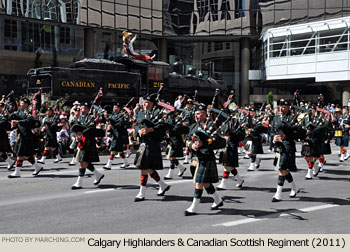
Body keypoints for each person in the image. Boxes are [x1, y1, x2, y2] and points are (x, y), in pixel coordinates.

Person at [184, 103, 226, 215]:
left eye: (198, 114)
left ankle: (193, 207)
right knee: (206, 183)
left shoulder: (211, 126)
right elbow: (187, 140)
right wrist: (191, 145)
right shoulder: (193, 127)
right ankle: (218, 200)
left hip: (206, 157)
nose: (196, 116)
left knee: (199, 182)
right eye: (195, 114)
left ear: (204, 115)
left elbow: (219, 141)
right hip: (196, 158)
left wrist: (204, 143)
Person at [133, 93, 170, 201]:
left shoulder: (157, 113)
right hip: (143, 143)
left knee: (145, 168)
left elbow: (163, 126)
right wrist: (138, 130)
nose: (145, 103)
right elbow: (136, 125)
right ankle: (162, 184)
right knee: (147, 168)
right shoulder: (140, 113)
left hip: (152, 143)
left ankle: (142, 193)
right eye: (144, 101)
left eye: (147, 102)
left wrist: (150, 129)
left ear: (152, 103)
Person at [270, 99, 303, 201]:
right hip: (278, 147)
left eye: (284, 107)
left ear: (288, 107)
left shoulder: (293, 118)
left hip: (288, 146)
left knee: (281, 169)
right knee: (283, 170)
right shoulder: (276, 118)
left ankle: (278, 194)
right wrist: (273, 137)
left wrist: (286, 136)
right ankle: (294, 187)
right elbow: (271, 131)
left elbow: (297, 133)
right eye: (280, 106)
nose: (281, 108)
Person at [70, 102, 105, 189]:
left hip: (89, 142)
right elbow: (73, 128)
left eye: (84, 108)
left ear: (88, 109)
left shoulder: (90, 118)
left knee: (82, 162)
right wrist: (76, 135)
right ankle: (98, 174)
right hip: (81, 141)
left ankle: (79, 182)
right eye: (82, 108)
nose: (82, 109)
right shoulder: (79, 118)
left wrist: (81, 133)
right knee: (84, 161)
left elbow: (90, 129)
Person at [8, 98, 42, 178]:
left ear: (26, 104)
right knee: (27, 156)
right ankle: (37, 167)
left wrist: (18, 122)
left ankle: (17, 172)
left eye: (22, 103)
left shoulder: (29, 112)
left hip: (27, 135)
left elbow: (29, 121)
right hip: (22, 135)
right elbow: (11, 116)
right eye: (20, 103)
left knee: (20, 155)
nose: (21, 104)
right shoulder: (19, 112)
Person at [103, 103, 130, 170]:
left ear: (119, 108)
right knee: (120, 150)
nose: (114, 108)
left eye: (116, 107)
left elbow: (121, 124)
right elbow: (110, 121)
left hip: (120, 134)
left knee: (113, 149)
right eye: (114, 107)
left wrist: (113, 124)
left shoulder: (122, 115)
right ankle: (126, 162)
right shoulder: (113, 115)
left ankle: (109, 164)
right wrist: (107, 119)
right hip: (115, 134)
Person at [0, 102, 15, 169]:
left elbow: (5, 122)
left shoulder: (4, 114)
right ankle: (10, 161)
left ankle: (10, 161)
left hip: (1, 134)